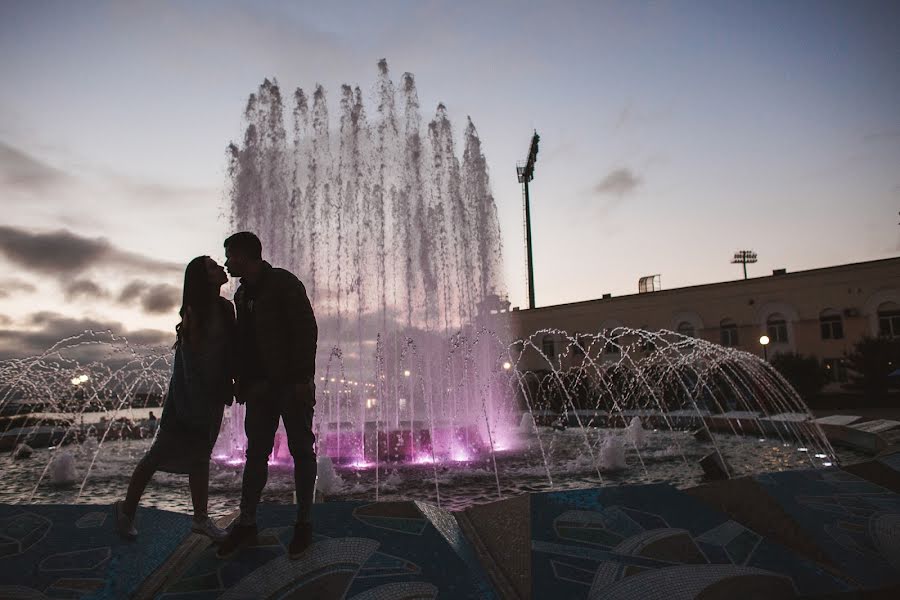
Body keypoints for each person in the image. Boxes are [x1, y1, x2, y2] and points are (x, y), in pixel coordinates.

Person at [114, 256, 236, 541]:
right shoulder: (195, 312)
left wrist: (230, 383)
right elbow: (191, 361)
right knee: (157, 455)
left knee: (201, 455)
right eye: (212, 267)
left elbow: (230, 350)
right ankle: (127, 510)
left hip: (213, 394)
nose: (220, 268)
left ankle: (201, 519)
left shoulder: (225, 308)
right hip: (188, 397)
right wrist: (193, 402)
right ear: (202, 278)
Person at [216, 231, 318, 560]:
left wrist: (303, 377)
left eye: (230, 256)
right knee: (256, 453)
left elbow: (306, 329)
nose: (227, 262)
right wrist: (241, 381)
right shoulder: (242, 294)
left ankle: (303, 522)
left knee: (302, 450)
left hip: (291, 384)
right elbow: (244, 343)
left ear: (245, 255)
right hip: (260, 389)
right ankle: (247, 523)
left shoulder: (284, 283)